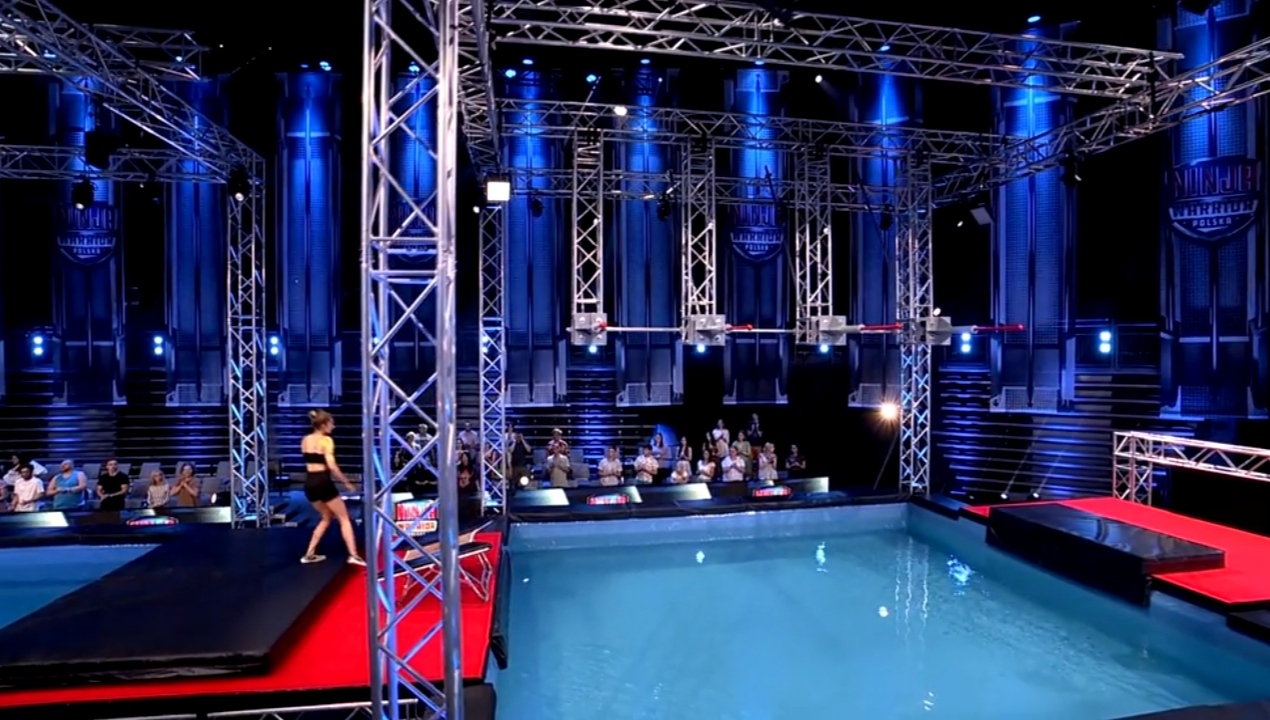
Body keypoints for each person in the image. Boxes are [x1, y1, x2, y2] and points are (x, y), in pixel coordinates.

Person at [301, 410, 364, 566]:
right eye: (331, 423)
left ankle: (309, 554)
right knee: (344, 518)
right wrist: (346, 483)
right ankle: (353, 555)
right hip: (323, 482)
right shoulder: (326, 441)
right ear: (323, 424)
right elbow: (332, 466)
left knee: (326, 517)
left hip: (310, 483)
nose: (333, 426)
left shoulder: (305, 440)